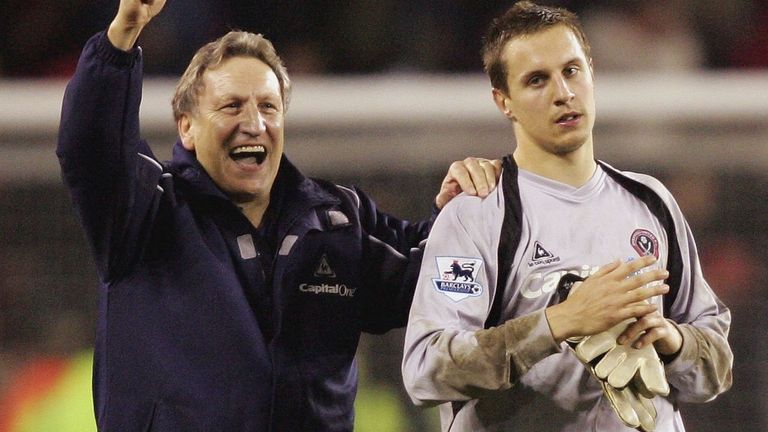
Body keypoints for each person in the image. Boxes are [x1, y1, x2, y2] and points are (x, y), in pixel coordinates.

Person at [55, 1, 501, 430]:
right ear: (186, 126)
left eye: (268, 106)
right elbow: (90, 145)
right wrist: (121, 38)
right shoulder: (146, 208)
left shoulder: (337, 220)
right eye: (232, 106)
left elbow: (433, 275)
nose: (254, 123)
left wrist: (461, 212)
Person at [401, 2, 733, 431]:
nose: (563, 92)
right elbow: (428, 369)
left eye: (572, 70)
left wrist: (671, 340)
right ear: (504, 102)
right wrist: (561, 322)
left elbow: (718, 366)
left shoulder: (651, 202)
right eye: (537, 80)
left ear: (592, 73)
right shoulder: (476, 214)